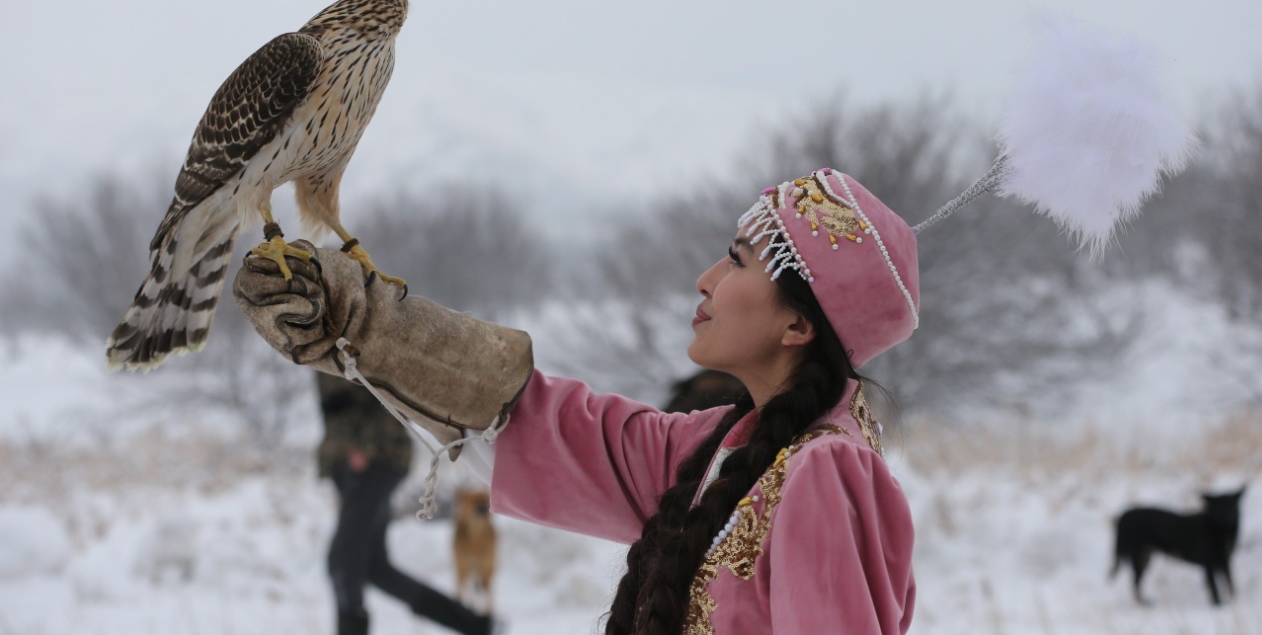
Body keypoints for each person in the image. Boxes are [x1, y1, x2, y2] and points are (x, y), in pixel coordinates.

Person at [234, 166, 920, 633]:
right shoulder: (725, 447)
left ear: (799, 325)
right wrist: (372, 327)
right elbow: (558, 429)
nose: (707, 279)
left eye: (738, 261)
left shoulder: (826, 473)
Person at [315, 372, 503, 635]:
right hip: (349, 461)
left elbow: (379, 381)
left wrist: (363, 447)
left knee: (342, 563)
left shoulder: (345, 333)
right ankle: (476, 625)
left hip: (373, 458)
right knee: (374, 567)